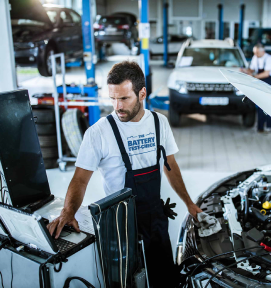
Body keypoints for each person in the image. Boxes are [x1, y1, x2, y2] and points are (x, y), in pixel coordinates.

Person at [47, 61, 202, 287]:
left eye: (124, 99)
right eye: (113, 99)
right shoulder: (99, 132)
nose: (117, 106)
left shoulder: (160, 123)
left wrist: (189, 202)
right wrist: (67, 212)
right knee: (129, 280)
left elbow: (170, 164)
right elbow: (80, 178)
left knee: (165, 277)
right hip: (120, 226)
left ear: (142, 94)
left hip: (155, 218)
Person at [241, 43, 271, 133]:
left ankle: (269, 126)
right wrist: (245, 71)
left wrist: (253, 77)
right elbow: (252, 69)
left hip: (270, 82)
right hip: (261, 82)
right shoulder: (255, 58)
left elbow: (266, 73)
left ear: (263, 51)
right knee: (261, 104)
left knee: (269, 105)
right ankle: (260, 127)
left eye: (257, 53)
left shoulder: (269, 59)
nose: (255, 54)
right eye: (254, 53)